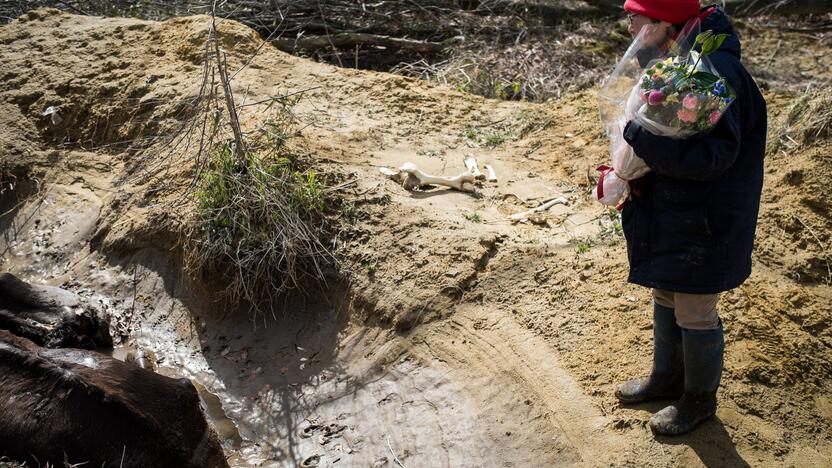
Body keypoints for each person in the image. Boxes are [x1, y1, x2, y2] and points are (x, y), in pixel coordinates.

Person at [615, 0, 767, 436]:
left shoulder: (712, 71)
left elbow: (712, 158)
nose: (629, 25)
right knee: (666, 292)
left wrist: (640, 140)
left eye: (635, 15)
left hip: (706, 220)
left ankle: (698, 400)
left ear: (665, 23)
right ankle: (667, 377)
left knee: (695, 308)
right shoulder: (679, 63)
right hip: (675, 212)